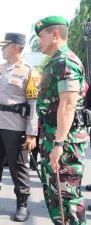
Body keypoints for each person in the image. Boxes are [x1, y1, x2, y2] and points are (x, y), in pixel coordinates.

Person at [0, 33, 40, 222]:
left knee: (18, 166)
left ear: (16, 47)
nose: (1, 49)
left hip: (15, 127)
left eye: (5, 46)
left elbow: (33, 105)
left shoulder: (29, 72)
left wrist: (31, 134)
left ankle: (22, 205)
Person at [35, 16, 88, 225]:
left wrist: (58, 143)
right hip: (53, 137)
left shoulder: (66, 62)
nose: (39, 41)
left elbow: (68, 105)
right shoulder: (56, 61)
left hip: (64, 142)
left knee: (67, 199)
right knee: (55, 196)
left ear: (55, 34)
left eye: (41, 36)